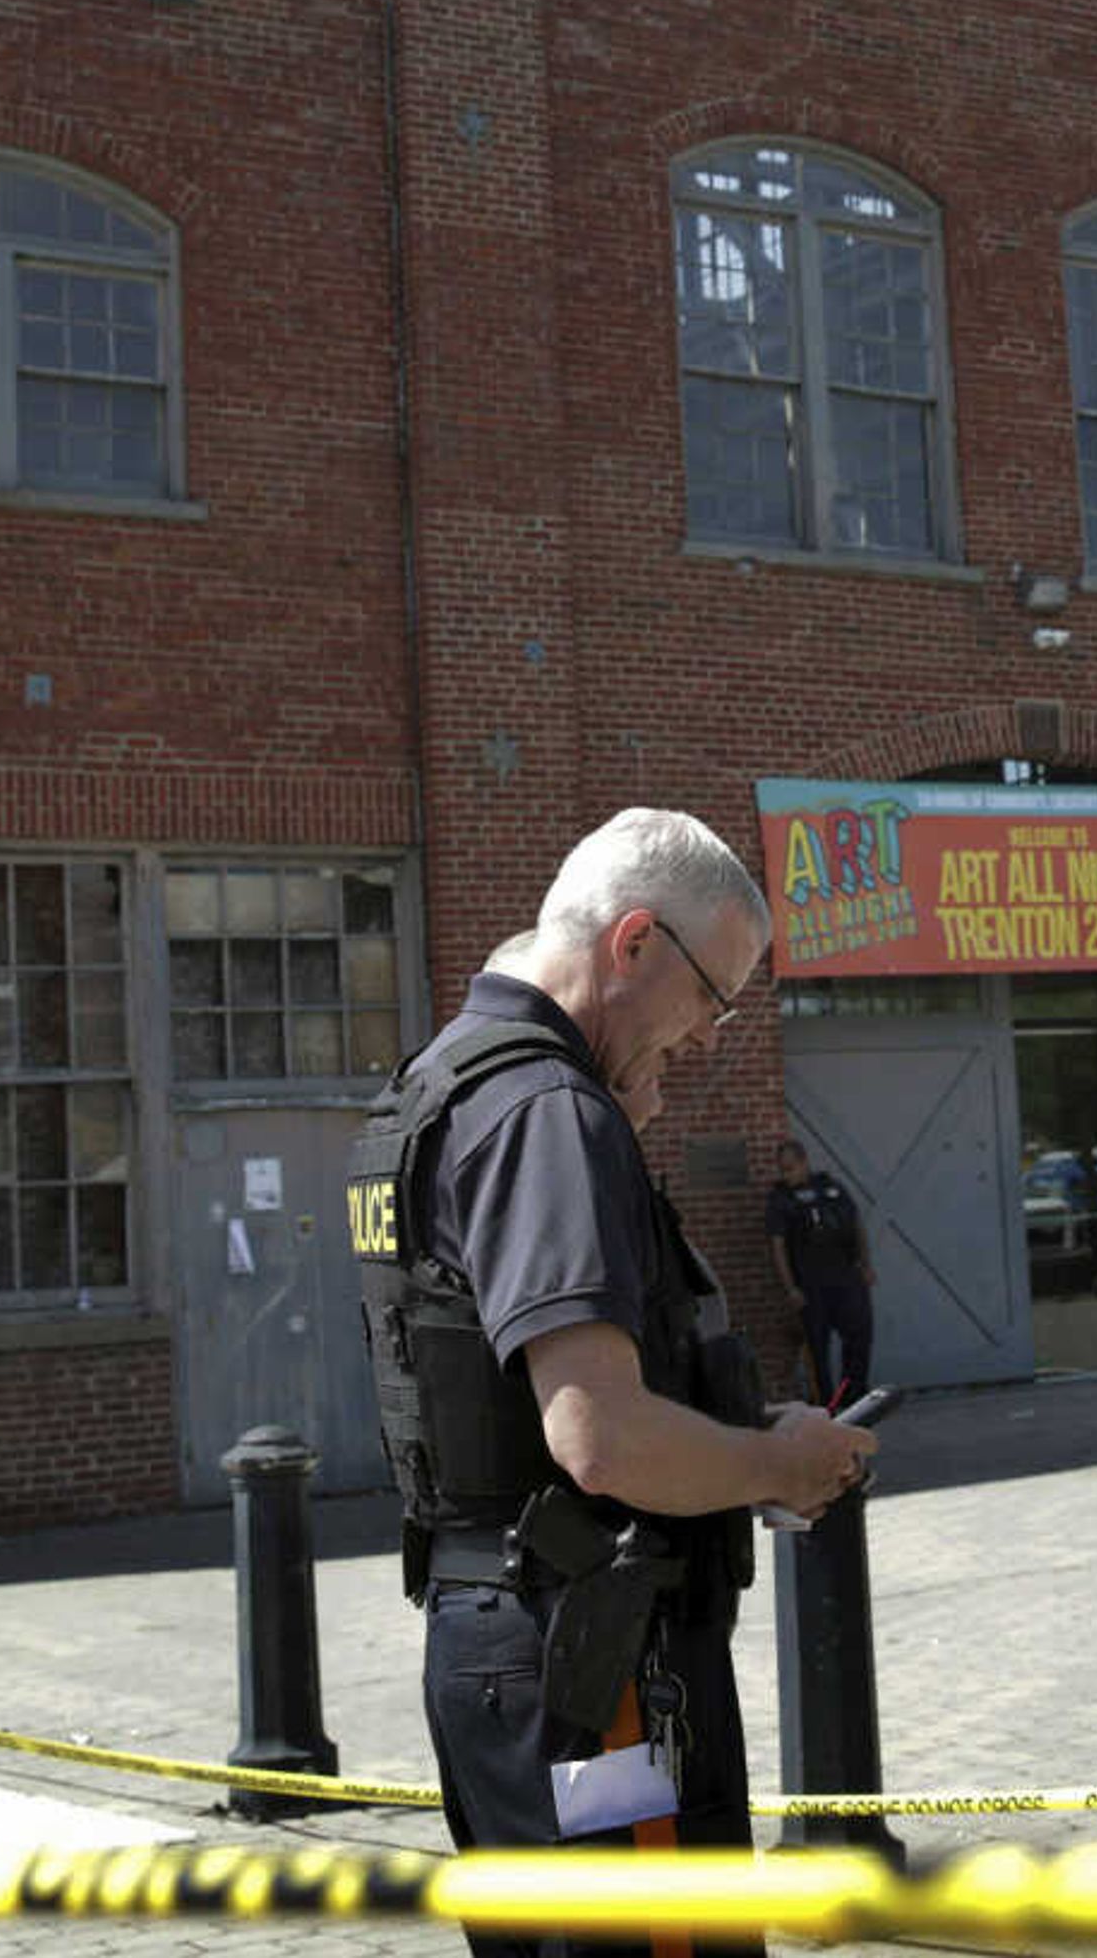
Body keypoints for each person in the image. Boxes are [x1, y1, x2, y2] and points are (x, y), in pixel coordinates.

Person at [348, 809, 876, 1958]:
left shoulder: (438, 1081)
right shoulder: (547, 1112)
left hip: (501, 1646)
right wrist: (777, 1463)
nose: (704, 1038)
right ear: (634, 943)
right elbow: (601, 1438)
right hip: (601, 1679)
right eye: (712, 998)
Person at [763, 1138, 875, 1404]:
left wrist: (866, 1264)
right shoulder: (781, 1199)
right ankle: (828, 1405)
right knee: (817, 1351)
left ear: (804, 1163)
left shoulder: (831, 1188)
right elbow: (777, 1246)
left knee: (860, 1337)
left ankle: (853, 1395)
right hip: (810, 1284)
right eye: (782, 1169)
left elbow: (856, 1225)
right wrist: (791, 1288)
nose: (786, 1174)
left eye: (790, 1168)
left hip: (846, 1276)